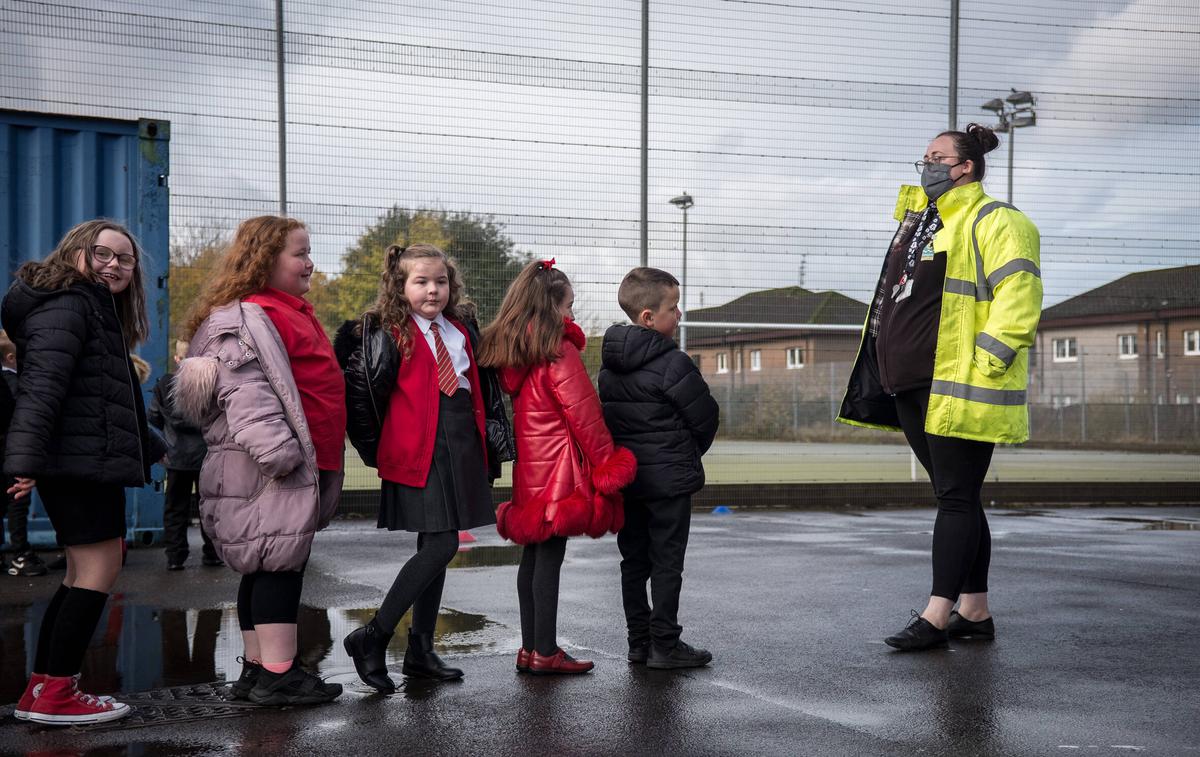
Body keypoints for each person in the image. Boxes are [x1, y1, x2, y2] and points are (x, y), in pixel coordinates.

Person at [837, 123, 1042, 651]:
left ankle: (936, 613)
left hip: (956, 383)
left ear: (965, 166)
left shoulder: (997, 220)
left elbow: (1018, 296)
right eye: (923, 157)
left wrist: (987, 361)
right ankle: (974, 610)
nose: (926, 164)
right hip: (906, 381)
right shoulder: (920, 221)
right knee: (959, 496)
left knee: (954, 498)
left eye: (937, 156)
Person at [175, 215, 345, 704]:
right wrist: (278, 454)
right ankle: (278, 673)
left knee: (266, 562)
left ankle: (256, 668)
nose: (310, 262)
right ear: (266, 259)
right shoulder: (248, 317)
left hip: (293, 463)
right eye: (300, 253)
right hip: (272, 466)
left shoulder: (286, 310)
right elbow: (244, 391)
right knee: (278, 566)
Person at [4, 219, 164, 725]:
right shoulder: (70, 306)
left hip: (79, 459)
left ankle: (43, 688)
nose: (115, 264)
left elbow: (97, 395)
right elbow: (41, 390)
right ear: (76, 252)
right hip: (78, 464)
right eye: (103, 253)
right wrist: (23, 463)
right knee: (97, 572)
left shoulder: (85, 307)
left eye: (125, 259)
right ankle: (57, 694)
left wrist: (151, 447)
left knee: (79, 575)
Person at [338, 243, 496, 693]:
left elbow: (479, 387)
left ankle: (421, 651)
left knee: (437, 544)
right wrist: (378, 452)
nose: (433, 290)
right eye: (421, 281)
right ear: (399, 286)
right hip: (418, 448)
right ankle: (373, 636)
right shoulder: (387, 332)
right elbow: (363, 401)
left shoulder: (461, 328)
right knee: (442, 545)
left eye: (441, 281)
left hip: (461, 441)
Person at [478, 259, 636, 675]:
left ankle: (531, 648)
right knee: (549, 557)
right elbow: (583, 413)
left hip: (533, 467)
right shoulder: (557, 349)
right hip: (560, 470)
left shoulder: (517, 352)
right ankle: (545, 651)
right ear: (550, 306)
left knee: (533, 556)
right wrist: (607, 466)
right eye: (569, 305)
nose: (572, 314)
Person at [598, 267, 720, 669]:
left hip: (629, 480)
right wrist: (684, 453)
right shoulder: (674, 363)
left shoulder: (608, 367)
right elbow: (704, 419)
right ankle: (665, 644)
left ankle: (638, 643)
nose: (680, 313)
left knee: (633, 562)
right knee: (667, 562)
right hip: (668, 484)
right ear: (649, 317)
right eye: (673, 306)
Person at [149, 339, 221, 571]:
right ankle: (212, 554)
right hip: (205, 455)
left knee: (175, 508)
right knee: (209, 507)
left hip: (176, 455)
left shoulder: (163, 384)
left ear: (177, 358)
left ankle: (175, 557)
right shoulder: (209, 383)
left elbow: (154, 418)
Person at [0, 330, 48, 578]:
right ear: (10, 358)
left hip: (6, 452)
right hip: (13, 454)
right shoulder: (14, 384)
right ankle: (19, 554)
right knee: (18, 502)